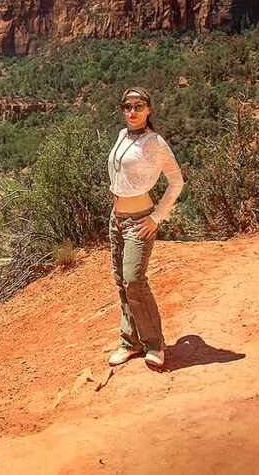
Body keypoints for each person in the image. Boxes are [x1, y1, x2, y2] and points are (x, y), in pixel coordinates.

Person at [105, 86, 185, 369]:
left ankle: (154, 344)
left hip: (140, 220)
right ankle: (130, 342)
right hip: (116, 219)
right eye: (127, 106)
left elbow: (177, 181)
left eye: (138, 106)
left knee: (134, 280)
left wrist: (156, 218)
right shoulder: (122, 135)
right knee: (121, 283)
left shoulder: (155, 143)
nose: (132, 111)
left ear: (149, 109)